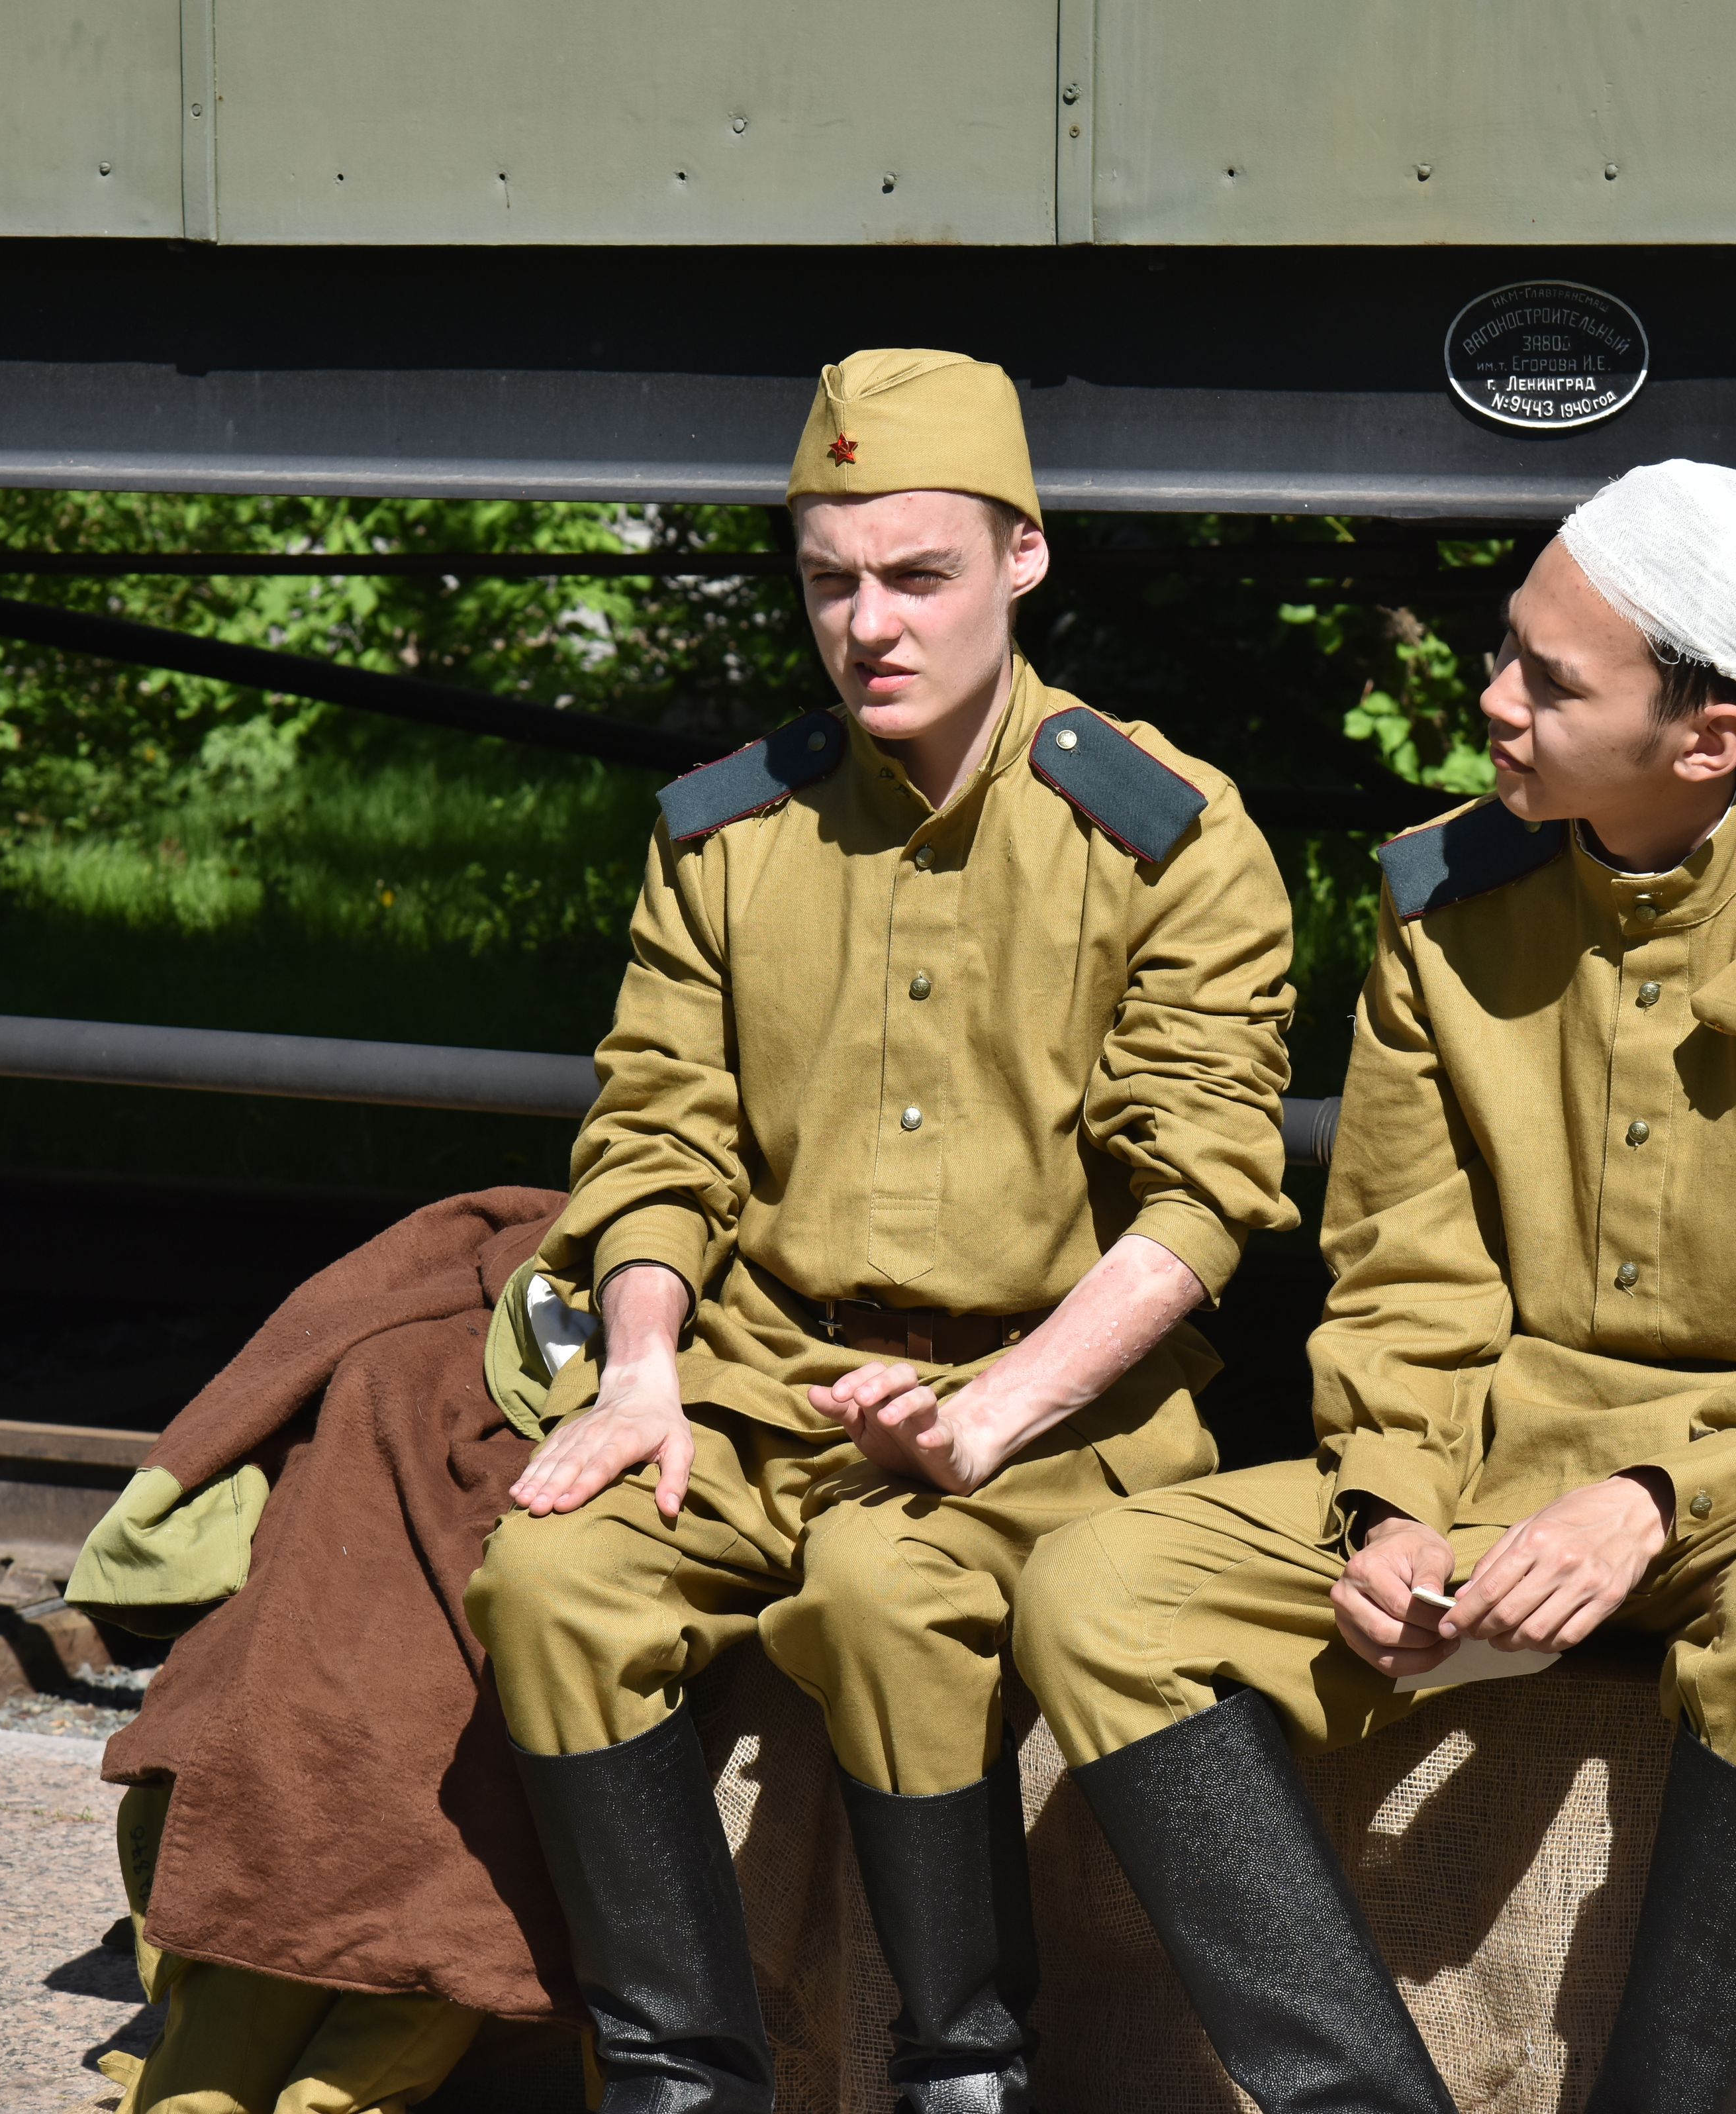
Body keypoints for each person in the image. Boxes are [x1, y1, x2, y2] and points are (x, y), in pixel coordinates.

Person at [1012, 460, 1736, 2114]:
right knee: (1097, 1593)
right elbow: (1405, 1273)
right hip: (1500, 1461)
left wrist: (1656, 1499)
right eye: (1506, 646)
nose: (1494, 696)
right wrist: (1388, 1505)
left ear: (1704, 740)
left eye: (1551, 683)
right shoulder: (1445, 905)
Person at [465, 348, 1298, 2113]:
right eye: (830, 581)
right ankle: (682, 2081)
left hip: (1045, 1410)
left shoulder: (1166, 835)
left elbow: (1208, 1190)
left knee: (880, 1588)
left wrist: (999, 1408)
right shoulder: (728, 832)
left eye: (919, 575)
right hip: (759, 1384)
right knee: (549, 1581)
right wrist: (639, 1367)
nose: (870, 627)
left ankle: (962, 2068)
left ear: (1024, 558)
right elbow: (659, 1129)